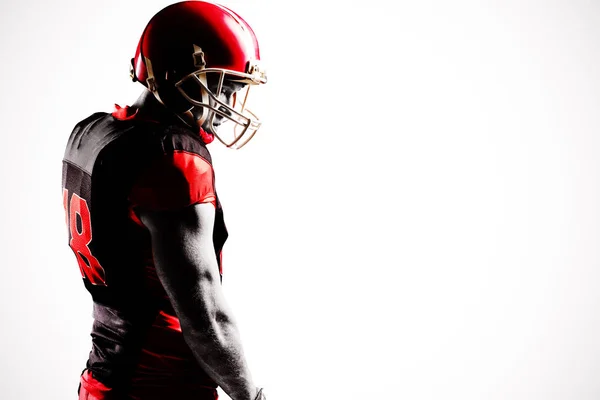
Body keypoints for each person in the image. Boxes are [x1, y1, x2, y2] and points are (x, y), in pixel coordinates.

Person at [61, 1, 268, 399]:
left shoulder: (90, 133)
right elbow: (204, 315)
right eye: (221, 83)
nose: (228, 103)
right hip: (160, 386)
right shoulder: (174, 160)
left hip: (101, 379)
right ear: (178, 74)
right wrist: (249, 396)